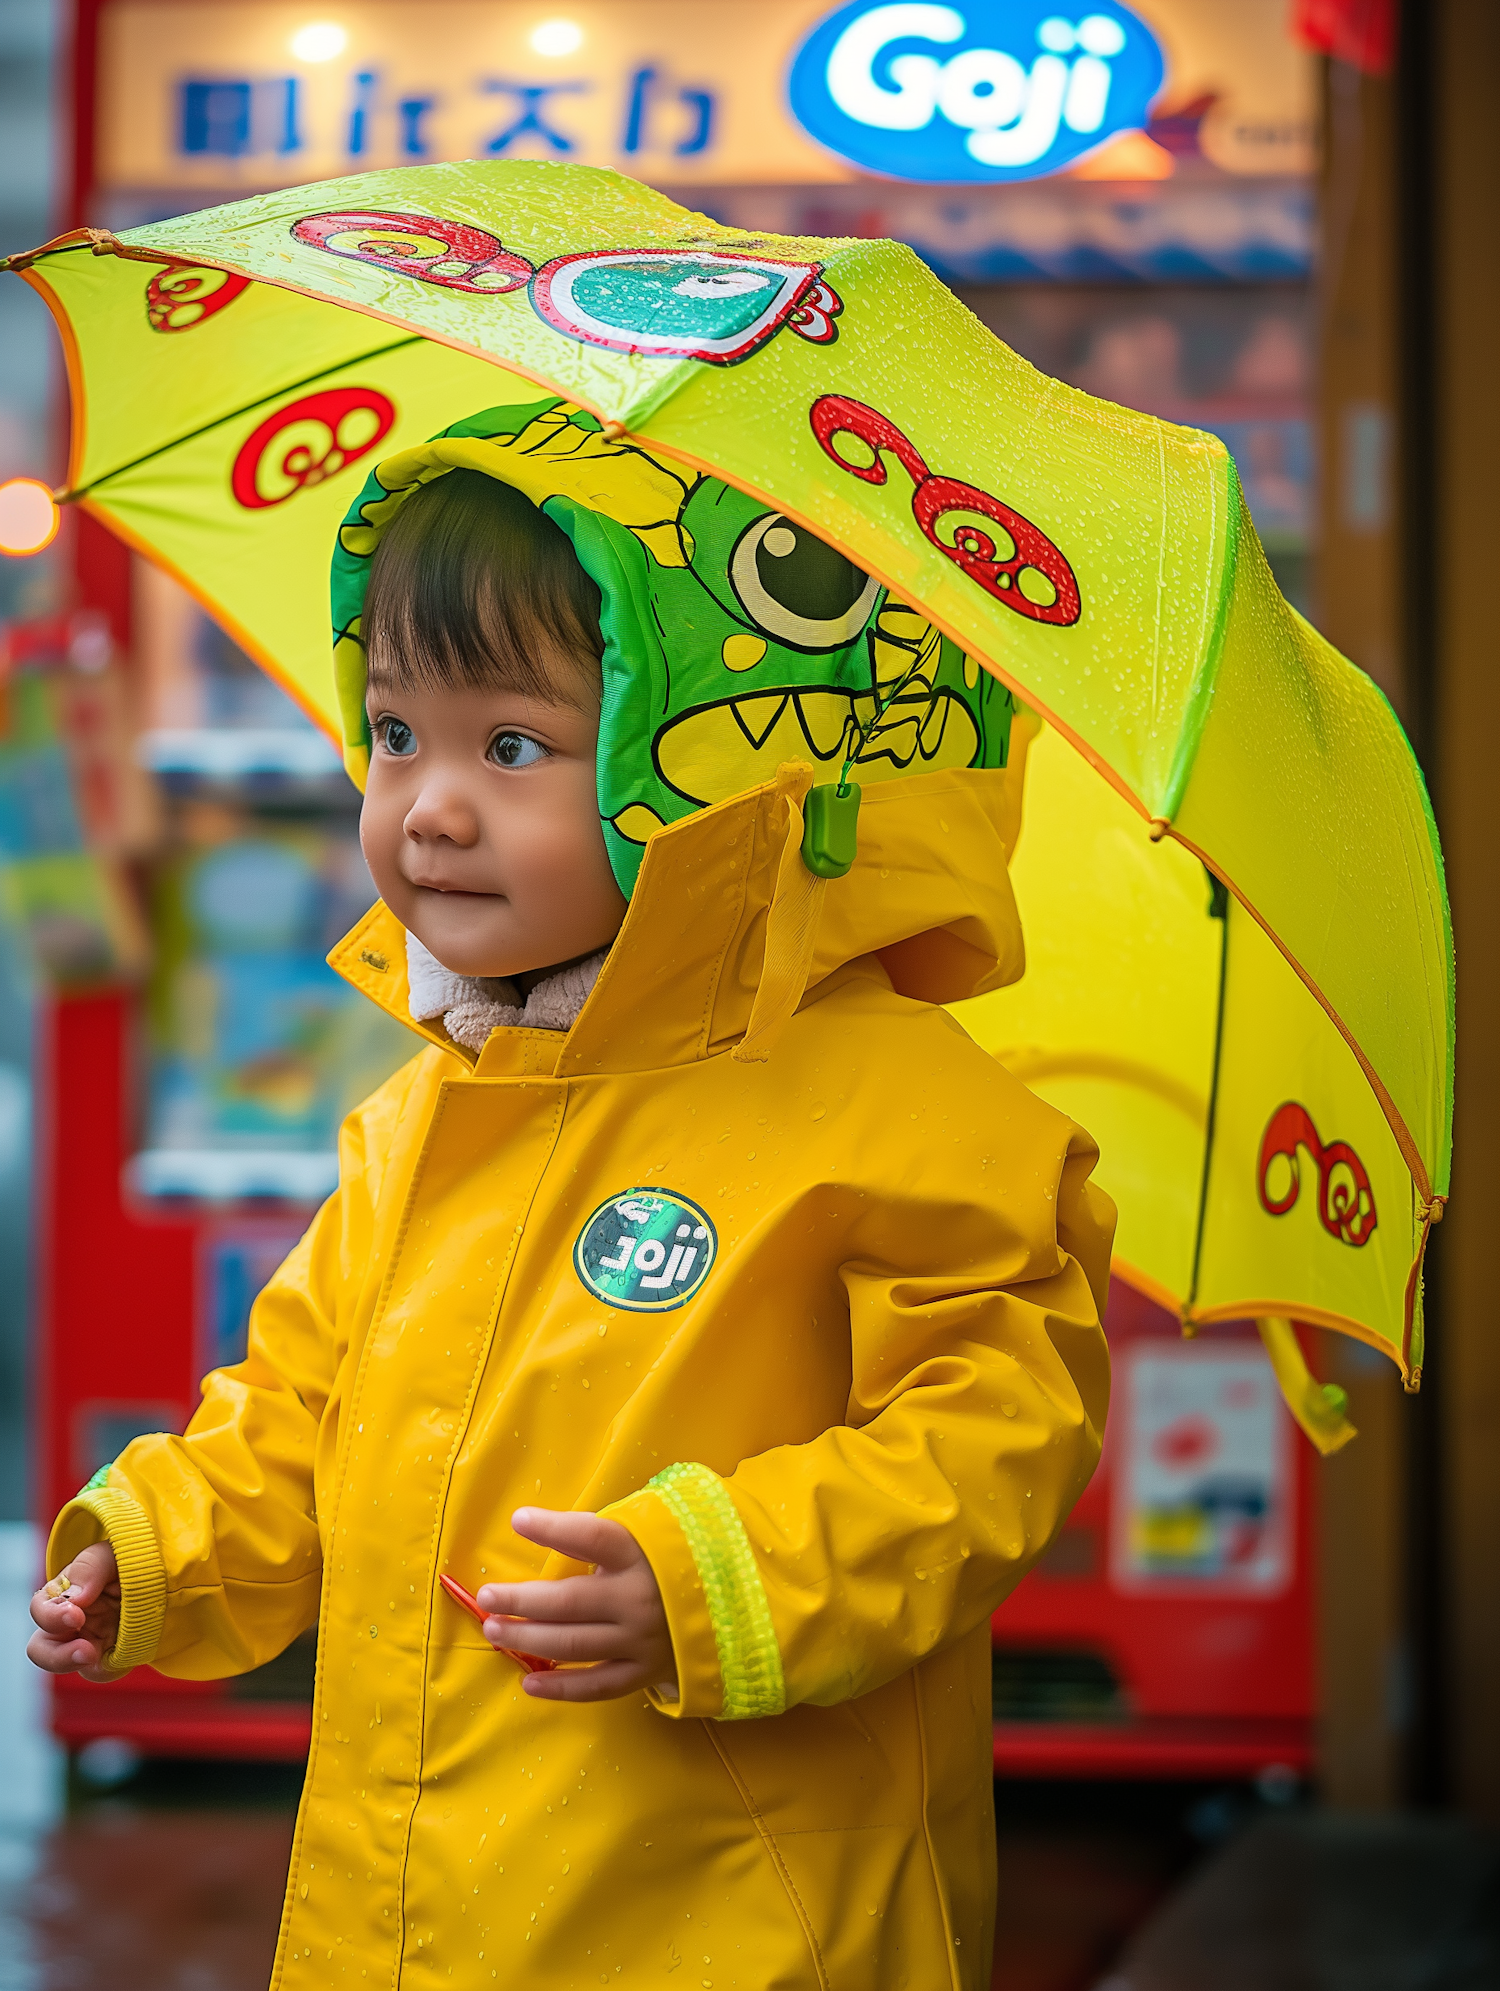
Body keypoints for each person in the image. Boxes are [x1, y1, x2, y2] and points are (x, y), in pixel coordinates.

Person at [29, 401, 1113, 1989]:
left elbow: (993, 1434)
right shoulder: (422, 1111)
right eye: (395, 731)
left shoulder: (901, 1108)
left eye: (514, 746)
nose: (427, 805)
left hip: (731, 1919)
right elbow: (300, 1415)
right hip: (411, 1912)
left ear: (726, 764)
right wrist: (165, 1546)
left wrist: (716, 1577)